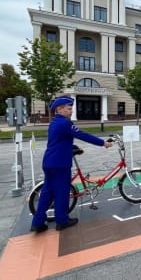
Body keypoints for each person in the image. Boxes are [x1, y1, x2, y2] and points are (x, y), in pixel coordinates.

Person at [30, 96, 112, 233]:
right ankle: (62, 221)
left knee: (47, 192)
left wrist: (73, 147)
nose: (71, 112)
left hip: (49, 162)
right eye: (68, 109)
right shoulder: (65, 123)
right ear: (59, 109)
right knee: (62, 192)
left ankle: (37, 222)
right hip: (60, 164)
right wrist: (103, 143)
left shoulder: (54, 123)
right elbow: (83, 135)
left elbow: (60, 141)